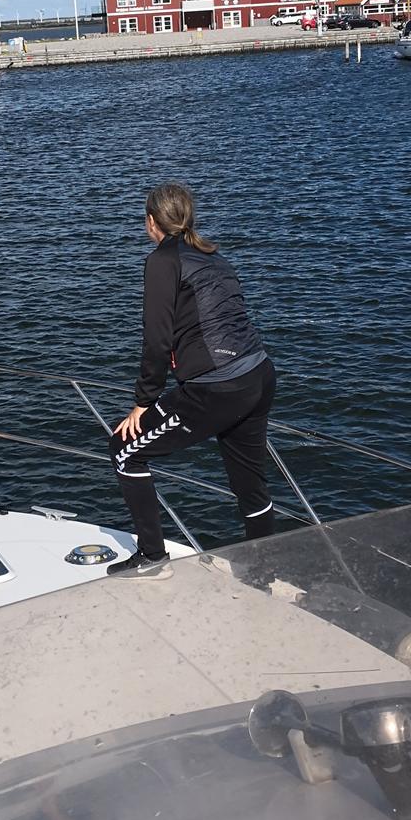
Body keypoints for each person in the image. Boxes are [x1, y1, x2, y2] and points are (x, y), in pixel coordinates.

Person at [107, 182, 276, 577]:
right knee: (249, 481)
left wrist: (143, 401)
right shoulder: (214, 258)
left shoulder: (162, 261)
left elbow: (157, 338)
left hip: (217, 384)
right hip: (258, 374)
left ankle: (151, 555)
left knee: (124, 448)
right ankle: (265, 568)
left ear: (151, 223)